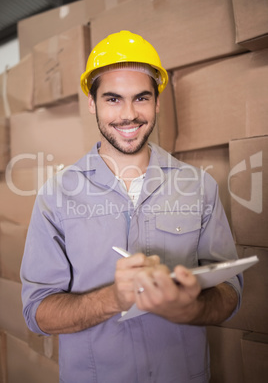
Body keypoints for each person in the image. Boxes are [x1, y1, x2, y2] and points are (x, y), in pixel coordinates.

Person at [21, 30, 242, 383]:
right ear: (92, 103)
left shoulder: (198, 187)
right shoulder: (57, 195)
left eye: (141, 98)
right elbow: (37, 312)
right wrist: (113, 298)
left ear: (157, 102)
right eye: (113, 99)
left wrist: (192, 307)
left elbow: (231, 292)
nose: (129, 115)